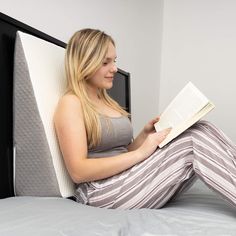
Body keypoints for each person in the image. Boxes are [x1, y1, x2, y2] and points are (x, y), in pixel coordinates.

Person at [54, 28, 236, 209]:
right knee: (190, 141)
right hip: (102, 190)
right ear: (85, 63)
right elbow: (78, 171)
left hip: (126, 177)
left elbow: (122, 153)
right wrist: (141, 153)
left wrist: (144, 135)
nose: (115, 69)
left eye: (114, 61)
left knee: (201, 127)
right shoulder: (71, 103)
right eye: (105, 62)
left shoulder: (107, 101)